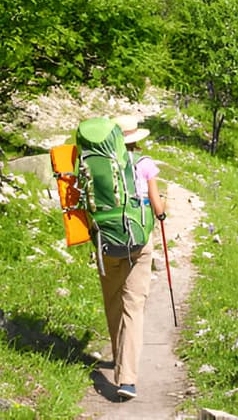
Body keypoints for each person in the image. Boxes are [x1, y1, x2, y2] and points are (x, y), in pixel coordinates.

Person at [97, 115, 166, 400]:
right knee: (133, 307)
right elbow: (157, 203)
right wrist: (161, 213)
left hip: (107, 242)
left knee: (113, 302)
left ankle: (118, 356)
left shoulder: (100, 166)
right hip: (139, 242)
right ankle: (127, 379)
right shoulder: (144, 163)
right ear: (136, 138)